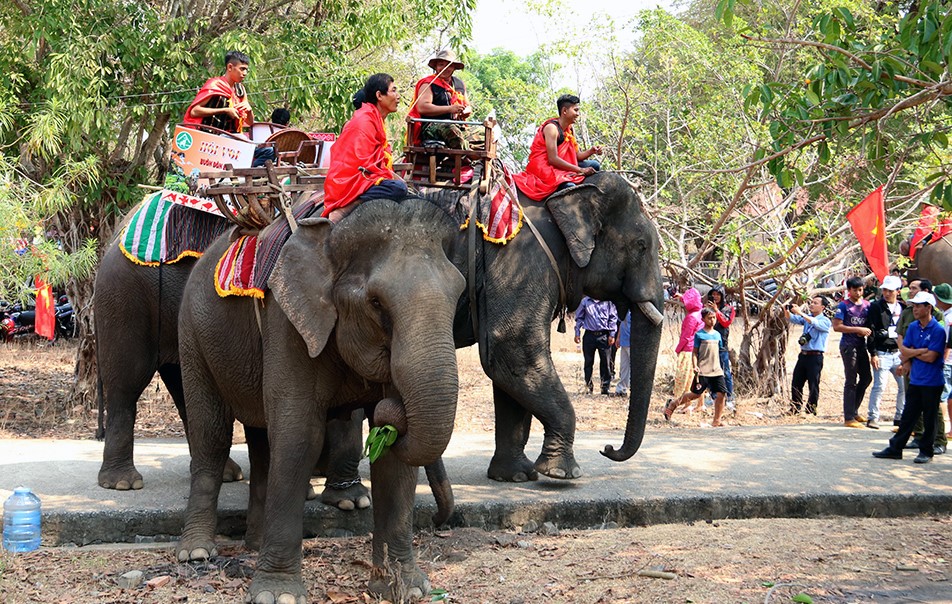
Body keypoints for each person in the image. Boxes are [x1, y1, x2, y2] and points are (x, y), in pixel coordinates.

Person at [323, 73, 408, 223]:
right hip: (349, 182)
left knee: (403, 187)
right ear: (379, 95)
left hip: (364, 178)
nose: (398, 96)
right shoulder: (364, 121)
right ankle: (345, 210)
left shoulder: (375, 120)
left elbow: (377, 161)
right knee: (397, 189)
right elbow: (361, 164)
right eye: (393, 90)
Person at [872, 291, 946, 464]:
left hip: (932, 381)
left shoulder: (938, 330)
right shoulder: (913, 327)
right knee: (908, 416)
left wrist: (912, 353)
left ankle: (926, 451)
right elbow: (903, 352)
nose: (915, 309)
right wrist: (920, 351)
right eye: (914, 305)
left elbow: (932, 357)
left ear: (929, 308)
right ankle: (895, 448)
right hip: (916, 379)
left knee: (929, 417)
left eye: (919, 306)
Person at [183, 50, 275, 167]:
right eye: (242, 69)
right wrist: (225, 110)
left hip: (234, 138)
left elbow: (250, 122)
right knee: (247, 144)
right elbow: (194, 111)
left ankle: (249, 176)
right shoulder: (215, 85)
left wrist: (249, 110)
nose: (245, 73)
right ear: (230, 67)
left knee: (269, 151)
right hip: (212, 139)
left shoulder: (240, 89)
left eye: (246, 69)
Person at [513, 94, 603, 201]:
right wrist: (581, 170)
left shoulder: (570, 129)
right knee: (569, 187)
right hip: (545, 167)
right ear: (564, 111)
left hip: (560, 163)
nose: (578, 114)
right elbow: (553, 159)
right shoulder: (551, 128)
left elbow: (577, 156)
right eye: (575, 110)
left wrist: (592, 151)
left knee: (595, 165)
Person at [664, 308, 729, 426]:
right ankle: (674, 404)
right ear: (703, 319)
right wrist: (695, 366)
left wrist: (724, 367)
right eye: (709, 318)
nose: (712, 320)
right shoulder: (699, 335)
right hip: (703, 370)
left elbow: (720, 352)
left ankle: (717, 420)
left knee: (721, 393)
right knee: (696, 394)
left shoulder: (717, 335)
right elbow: (694, 352)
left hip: (717, 370)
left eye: (714, 318)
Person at [406, 49, 473, 149]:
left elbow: (468, 106)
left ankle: (473, 154)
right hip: (432, 127)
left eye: (449, 65)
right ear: (436, 66)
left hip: (458, 126)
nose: (445, 68)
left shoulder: (459, 84)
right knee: (452, 131)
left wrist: (466, 111)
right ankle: (469, 156)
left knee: (484, 133)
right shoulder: (428, 83)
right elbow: (422, 107)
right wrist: (450, 109)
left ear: (454, 67)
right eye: (441, 64)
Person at [866, 275, 906, 429]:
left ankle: (899, 417)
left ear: (898, 291)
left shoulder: (902, 307)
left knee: (903, 386)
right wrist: (873, 353)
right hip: (882, 351)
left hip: (898, 353)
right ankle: (873, 417)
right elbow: (872, 331)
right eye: (884, 290)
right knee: (879, 385)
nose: (886, 293)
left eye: (890, 290)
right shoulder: (876, 307)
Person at [833, 276, 872, 428]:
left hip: (862, 346)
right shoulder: (843, 306)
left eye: (860, 290)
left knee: (866, 378)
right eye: (854, 290)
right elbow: (837, 326)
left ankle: (854, 410)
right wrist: (857, 329)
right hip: (848, 346)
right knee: (851, 380)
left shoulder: (867, 306)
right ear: (849, 290)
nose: (858, 293)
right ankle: (848, 417)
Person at [785, 296, 832, 416]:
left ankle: (811, 409)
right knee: (796, 382)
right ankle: (795, 407)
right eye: (811, 302)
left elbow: (814, 323)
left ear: (822, 307)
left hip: (815, 356)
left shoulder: (825, 321)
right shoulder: (807, 318)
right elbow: (792, 318)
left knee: (813, 384)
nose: (811, 305)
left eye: (815, 303)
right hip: (803, 355)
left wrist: (800, 312)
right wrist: (786, 309)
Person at [665, 287, 704, 415]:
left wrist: (678, 349)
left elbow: (686, 337)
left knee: (683, 378)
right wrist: (681, 297)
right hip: (697, 350)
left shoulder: (691, 317)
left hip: (687, 350)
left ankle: (682, 403)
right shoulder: (701, 313)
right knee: (694, 379)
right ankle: (694, 405)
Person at [574, 297, 619, 395]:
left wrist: (612, 334)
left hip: (604, 336)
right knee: (588, 362)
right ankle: (588, 386)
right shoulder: (585, 301)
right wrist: (577, 333)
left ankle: (605, 387)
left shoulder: (608, 302)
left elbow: (613, 318)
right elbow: (579, 318)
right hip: (589, 336)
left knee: (605, 363)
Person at [926, 282, 951, 454]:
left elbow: (947, 345)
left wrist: (940, 362)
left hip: (948, 363)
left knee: (940, 398)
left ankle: (940, 434)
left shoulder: (948, 319)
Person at [706, 285, 735, 407]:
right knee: (710, 371)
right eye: (714, 294)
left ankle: (729, 397)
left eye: (718, 294)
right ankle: (713, 396)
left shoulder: (728, 309)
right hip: (709, 344)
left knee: (725, 372)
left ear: (722, 296)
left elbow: (726, 322)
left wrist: (717, 311)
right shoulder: (708, 308)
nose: (715, 297)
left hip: (721, 345)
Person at [613, 311, 631, 397]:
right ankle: (621, 388)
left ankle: (633, 388)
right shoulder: (625, 310)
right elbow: (621, 323)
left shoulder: (636, 311)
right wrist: (618, 337)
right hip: (624, 341)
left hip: (633, 343)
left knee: (633, 368)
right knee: (624, 367)